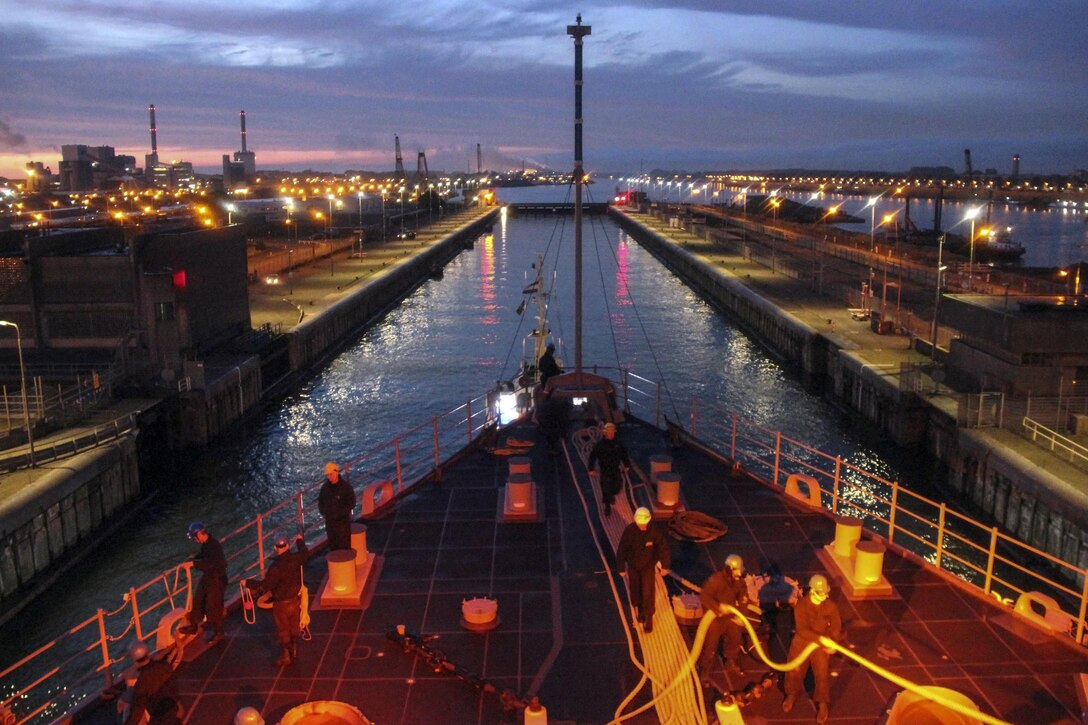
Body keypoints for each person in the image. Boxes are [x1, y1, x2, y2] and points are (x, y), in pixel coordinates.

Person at [783, 574, 843, 725]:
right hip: (802, 642)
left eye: (826, 592)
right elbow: (802, 630)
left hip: (820, 646)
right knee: (795, 670)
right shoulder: (801, 606)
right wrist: (820, 639)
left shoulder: (831, 606)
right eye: (821, 593)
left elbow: (836, 627)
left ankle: (823, 704)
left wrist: (833, 643)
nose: (825, 596)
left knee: (822, 674)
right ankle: (791, 694)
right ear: (812, 591)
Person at [243, 534, 310, 666]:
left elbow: (265, 586)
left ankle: (286, 656)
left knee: (283, 629)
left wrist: (248, 583)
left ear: (275, 547)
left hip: (281, 604)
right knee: (294, 627)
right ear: (287, 545)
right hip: (295, 601)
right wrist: (300, 541)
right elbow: (305, 553)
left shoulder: (275, 567)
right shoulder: (296, 558)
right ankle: (293, 648)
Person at [615, 507, 670, 633]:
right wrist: (621, 567)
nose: (642, 525)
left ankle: (648, 616)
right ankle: (640, 610)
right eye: (640, 523)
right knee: (635, 589)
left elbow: (663, 548)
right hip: (633, 566)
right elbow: (622, 549)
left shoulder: (654, 532)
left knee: (648, 591)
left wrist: (665, 565)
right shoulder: (629, 531)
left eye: (644, 523)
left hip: (648, 566)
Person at [698, 553, 750, 682]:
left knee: (735, 639)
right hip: (715, 618)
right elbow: (704, 596)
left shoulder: (739, 582)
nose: (739, 574)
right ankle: (705, 670)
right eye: (737, 570)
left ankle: (730, 662)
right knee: (710, 646)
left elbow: (743, 599)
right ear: (729, 570)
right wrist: (717, 608)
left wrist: (742, 617)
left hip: (730, 616)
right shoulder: (716, 580)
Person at [177, 522, 227, 644]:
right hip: (209, 577)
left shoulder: (213, 545)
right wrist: (195, 557)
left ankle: (219, 632)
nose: (195, 539)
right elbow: (205, 556)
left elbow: (210, 563)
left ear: (199, 534)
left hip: (217, 578)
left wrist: (193, 564)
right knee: (198, 599)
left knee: (213, 606)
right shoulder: (206, 544)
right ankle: (194, 625)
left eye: (195, 537)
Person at [121, 641, 179, 725]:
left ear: (134, 660)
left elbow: (137, 712)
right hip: (173, 709)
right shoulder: (164, 665)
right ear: (147, 653)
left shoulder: (142, 682)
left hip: (160, 718)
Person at [588, 422, 630, 516]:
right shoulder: (599, 445)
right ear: (605, 433)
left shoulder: (618, 444)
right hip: (605, 470)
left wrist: (627, 465)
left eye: (612, 433)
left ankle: (612, 494)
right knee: (606, 488)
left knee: (617, 487)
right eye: (609, 433)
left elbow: (624, 455)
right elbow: (592, 457)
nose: (611, 434)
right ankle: (607, 506)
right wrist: (591, 469)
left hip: (615, 468)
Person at [318, 462, 356, 551]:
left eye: (331, 474)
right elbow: (320, 501)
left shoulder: (345, 487)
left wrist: (340, 514)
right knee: (333, 548)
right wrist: (323, 513)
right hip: (330, 525)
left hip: (342, 525)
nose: (329, 477)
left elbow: (352, 502)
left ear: (337, 472)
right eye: (328, 475)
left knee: (344, 549)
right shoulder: (325, 488)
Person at [535, 389, 570, 454]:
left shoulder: (544, 405)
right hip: (558, 430)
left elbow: (538, 417)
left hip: (548, 431)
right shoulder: (564, 404)